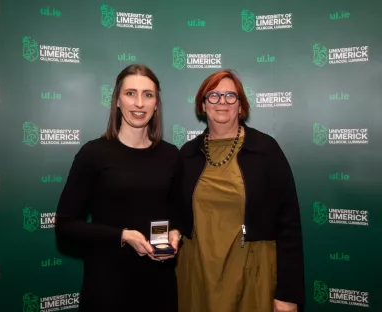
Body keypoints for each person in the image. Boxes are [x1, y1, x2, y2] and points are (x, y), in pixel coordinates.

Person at [55, 64, 182, 311]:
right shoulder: (93, 154)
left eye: (148, 95)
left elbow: (178, 215)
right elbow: (66, 226)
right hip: (107, 287)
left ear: (156, 104)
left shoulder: (171, 155)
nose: (139, 103)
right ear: (117, 101)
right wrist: (123, 236)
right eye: (130, 93)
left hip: (159, 287)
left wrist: (175, 235)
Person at [175, 70, 305, 312]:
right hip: (197, 276)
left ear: (241, 106)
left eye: (230, 96)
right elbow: (172, 213)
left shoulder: (266, 151)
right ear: (203, 106)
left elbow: (289, 225)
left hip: (252, 277)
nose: (222, 102)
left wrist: (288, 294)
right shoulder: (186, 155)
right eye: (213, 95)